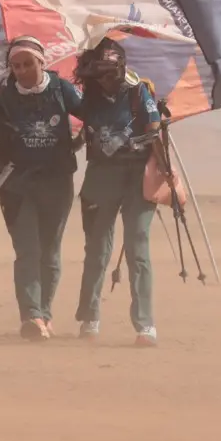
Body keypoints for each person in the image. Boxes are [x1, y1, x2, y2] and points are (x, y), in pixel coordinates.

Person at [0, 36, 82, 340]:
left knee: (50, 251)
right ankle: (32, 316)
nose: (22, 70)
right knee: (27, 250)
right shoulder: (4, 96)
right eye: (16, 65)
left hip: (57, 181)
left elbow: (91, 114)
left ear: (42, 62)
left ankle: (44, 313)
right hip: (16, 184)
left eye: (27, 64)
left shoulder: (62, 90)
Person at [72, 37, 162, 347]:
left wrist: (167, 178)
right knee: (97, 249)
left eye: (110, 72)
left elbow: (155, 132)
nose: (105, 79)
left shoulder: (139, 92)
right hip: (100, 176)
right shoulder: (89, 98)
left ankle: (145, 324)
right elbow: (84, 133)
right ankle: (90, 315)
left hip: (137, 176)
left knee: (138, 246)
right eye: (99, 73)